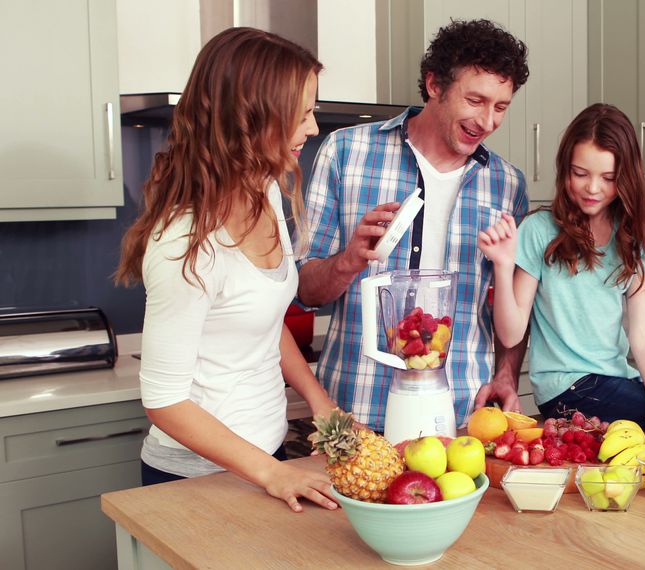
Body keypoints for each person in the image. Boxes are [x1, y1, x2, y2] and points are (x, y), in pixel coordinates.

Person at [114, 27, 339, 513]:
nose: (314, 128)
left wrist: (320, 404)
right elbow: (164, 400)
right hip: (193, 481)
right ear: (249, 118)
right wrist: (272, 473)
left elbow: (264, 319)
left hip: (266, 460)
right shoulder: (184, 243)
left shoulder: (267, 193)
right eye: (301, 115)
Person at [297, 19, 531, 431]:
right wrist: (349, 261)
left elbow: (514, 299)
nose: (488, 121)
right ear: (435, 85)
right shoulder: (347, 153)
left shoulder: (507, 183)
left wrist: (507, 373)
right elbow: (305, 291)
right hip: (355, 410)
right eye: (475, 100)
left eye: (501, 107)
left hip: (461, 412)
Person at [478, 103, 645, 436]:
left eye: (608, 178)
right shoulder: (539, 230)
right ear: (565, 168)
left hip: (616, 380)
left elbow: (643, 335)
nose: (593, 188)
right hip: (566, 391)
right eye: (580, 174)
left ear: (625, 179)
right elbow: (510, 334)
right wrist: (503, 265)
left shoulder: (630, 238)